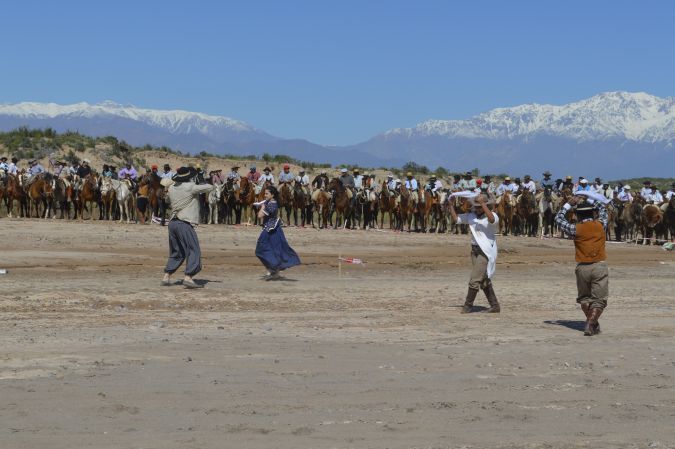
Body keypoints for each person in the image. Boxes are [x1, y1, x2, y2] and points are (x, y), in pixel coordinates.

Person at [555, 196, 609, 336]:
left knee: (584, 298)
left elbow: (558, 219)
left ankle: (592, 324)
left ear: (578, 215)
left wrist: (568, 204)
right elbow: (604, 210)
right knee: (599, 300)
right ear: (593, 213)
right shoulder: (600, 224)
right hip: (599, 265)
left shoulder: (575, 228)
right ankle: (590, 324)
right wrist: (590, 198)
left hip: (582, 267)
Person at [161, 167, 215, 289]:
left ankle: (166, 276)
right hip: (184, 223)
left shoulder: (172, 188)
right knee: (193, 249)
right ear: (189, 177)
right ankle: (188, 277)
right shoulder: (190, 186)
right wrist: (201, 178)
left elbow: (167, 200)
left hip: (172, 223)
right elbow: (210, 187)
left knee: (177, 252)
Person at [448, 193, 500, 313]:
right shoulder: (471, 216)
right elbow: (456, 219)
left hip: (486, 252)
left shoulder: (493, 216)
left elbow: (491, 220)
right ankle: (495, 305)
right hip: (475, 251)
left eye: (479, 207)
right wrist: (450, 205)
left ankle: (468, 305)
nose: (476, 209)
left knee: (474, 279)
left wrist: (482, 203)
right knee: (483, 279)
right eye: (475, 206)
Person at [255, 186, 301, 280]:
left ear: (272, 195)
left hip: (270, 229)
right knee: (273, 249)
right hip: (271, 228)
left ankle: (273, 269)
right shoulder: (269, 202)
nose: (265, 195)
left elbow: (259, 215)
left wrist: (262, 206)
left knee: (261, 249)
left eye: (267, 194)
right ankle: (273, 270)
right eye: (265, 193)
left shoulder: (271, 204)